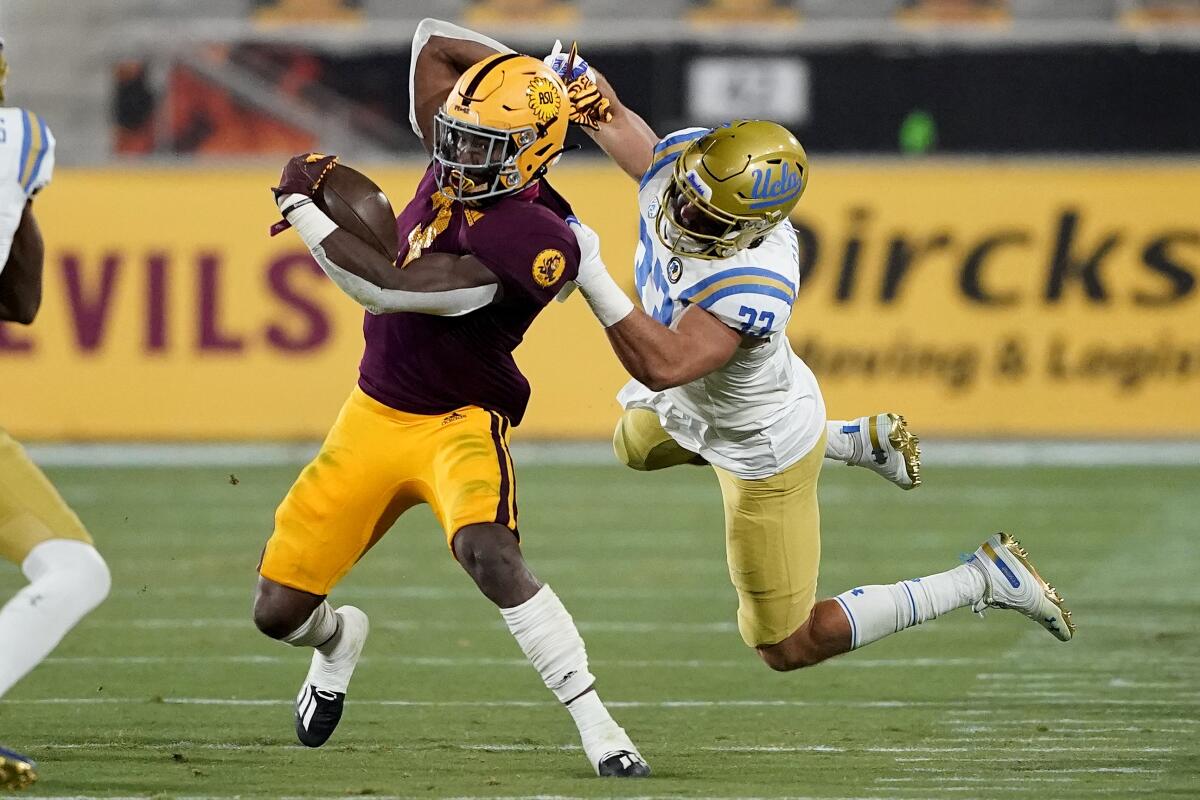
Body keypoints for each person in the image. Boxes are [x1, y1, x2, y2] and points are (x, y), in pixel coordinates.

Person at [545, 46, 1074, 673]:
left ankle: (984, 577)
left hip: (760, 445)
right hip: (702, 406)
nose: (682, 214)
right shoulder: (690, 173)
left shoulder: (750, 284)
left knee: (785, 645)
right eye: (688, 196)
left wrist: (590, 273)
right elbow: (609, 113)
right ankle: (854, 441)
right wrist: (566, 79)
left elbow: (663, 365)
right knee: (632, 445)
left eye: (706, 216)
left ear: (753, 228)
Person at [253, 19, 649, 778]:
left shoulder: (535, 237)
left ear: (530, 153)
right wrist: (527, 76)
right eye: (456, 137)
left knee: (489, 552)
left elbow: (387, 287)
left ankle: (600, 728)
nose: (454, 156)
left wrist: (303, 209)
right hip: (372, 412)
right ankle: (338, 642)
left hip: (460, 420)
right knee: (278, 613)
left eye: (477, 146)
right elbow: (433, 39)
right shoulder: (472, 148)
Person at [0, 38, 112, 790]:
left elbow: (20, 303)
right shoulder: (16, 136)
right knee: (74, 572)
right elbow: (25, 302)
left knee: (75, 570)